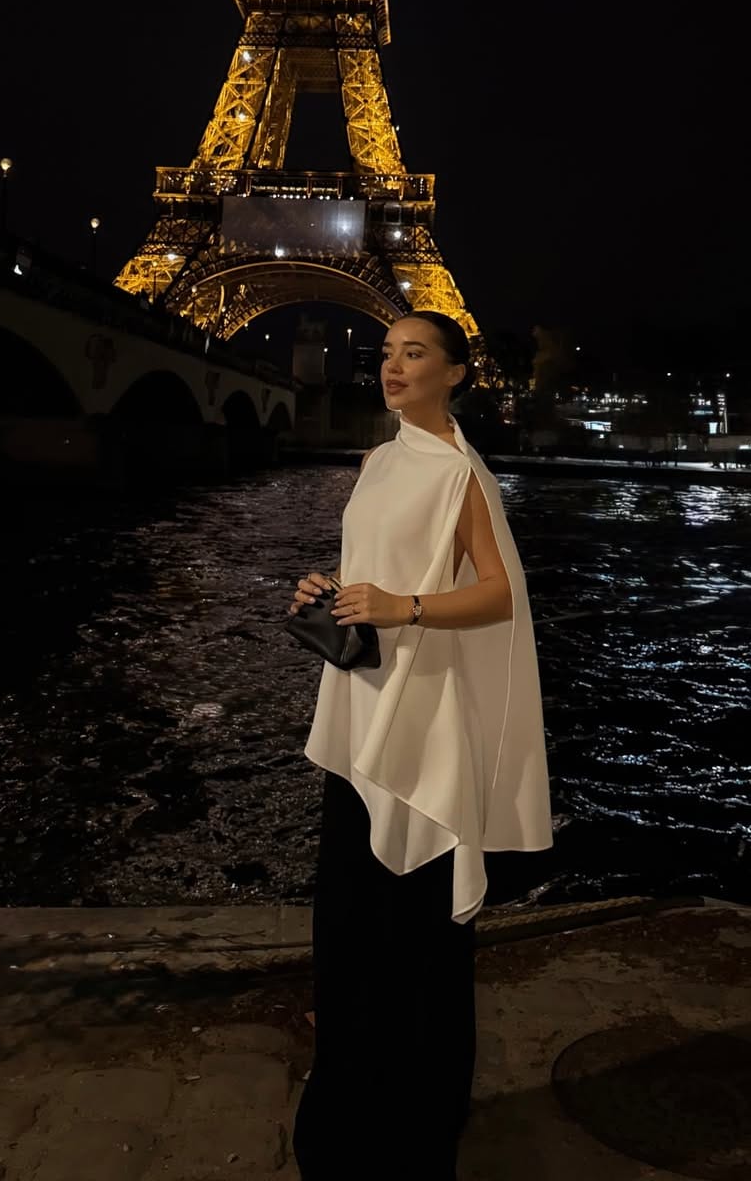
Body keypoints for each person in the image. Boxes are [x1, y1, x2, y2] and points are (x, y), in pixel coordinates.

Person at [288, 311, 554, 1180]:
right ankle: (344, 1114)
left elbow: (500, 594)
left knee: (414, 944)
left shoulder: (460, 473)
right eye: (387, 354)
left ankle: (416, 1129)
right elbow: (376, 563)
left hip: (424, 716)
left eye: (415, 353)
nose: (393, 366)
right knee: (348, 929)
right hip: (363, 702)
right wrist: (329, 588)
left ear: (456, 373)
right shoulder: (378, 461)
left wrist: (402, 608)